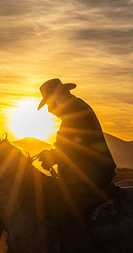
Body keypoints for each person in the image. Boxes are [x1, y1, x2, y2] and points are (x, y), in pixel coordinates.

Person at [34, 78, 117, 222]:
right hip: (90, 168)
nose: (49, 109)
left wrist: (51, 157)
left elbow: (72, 148)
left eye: (49, 103)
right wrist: (50, 155)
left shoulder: (75, 113)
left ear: (58, 98)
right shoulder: (75, 109)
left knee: (63, 208)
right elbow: (68, 145)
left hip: (91, 171)